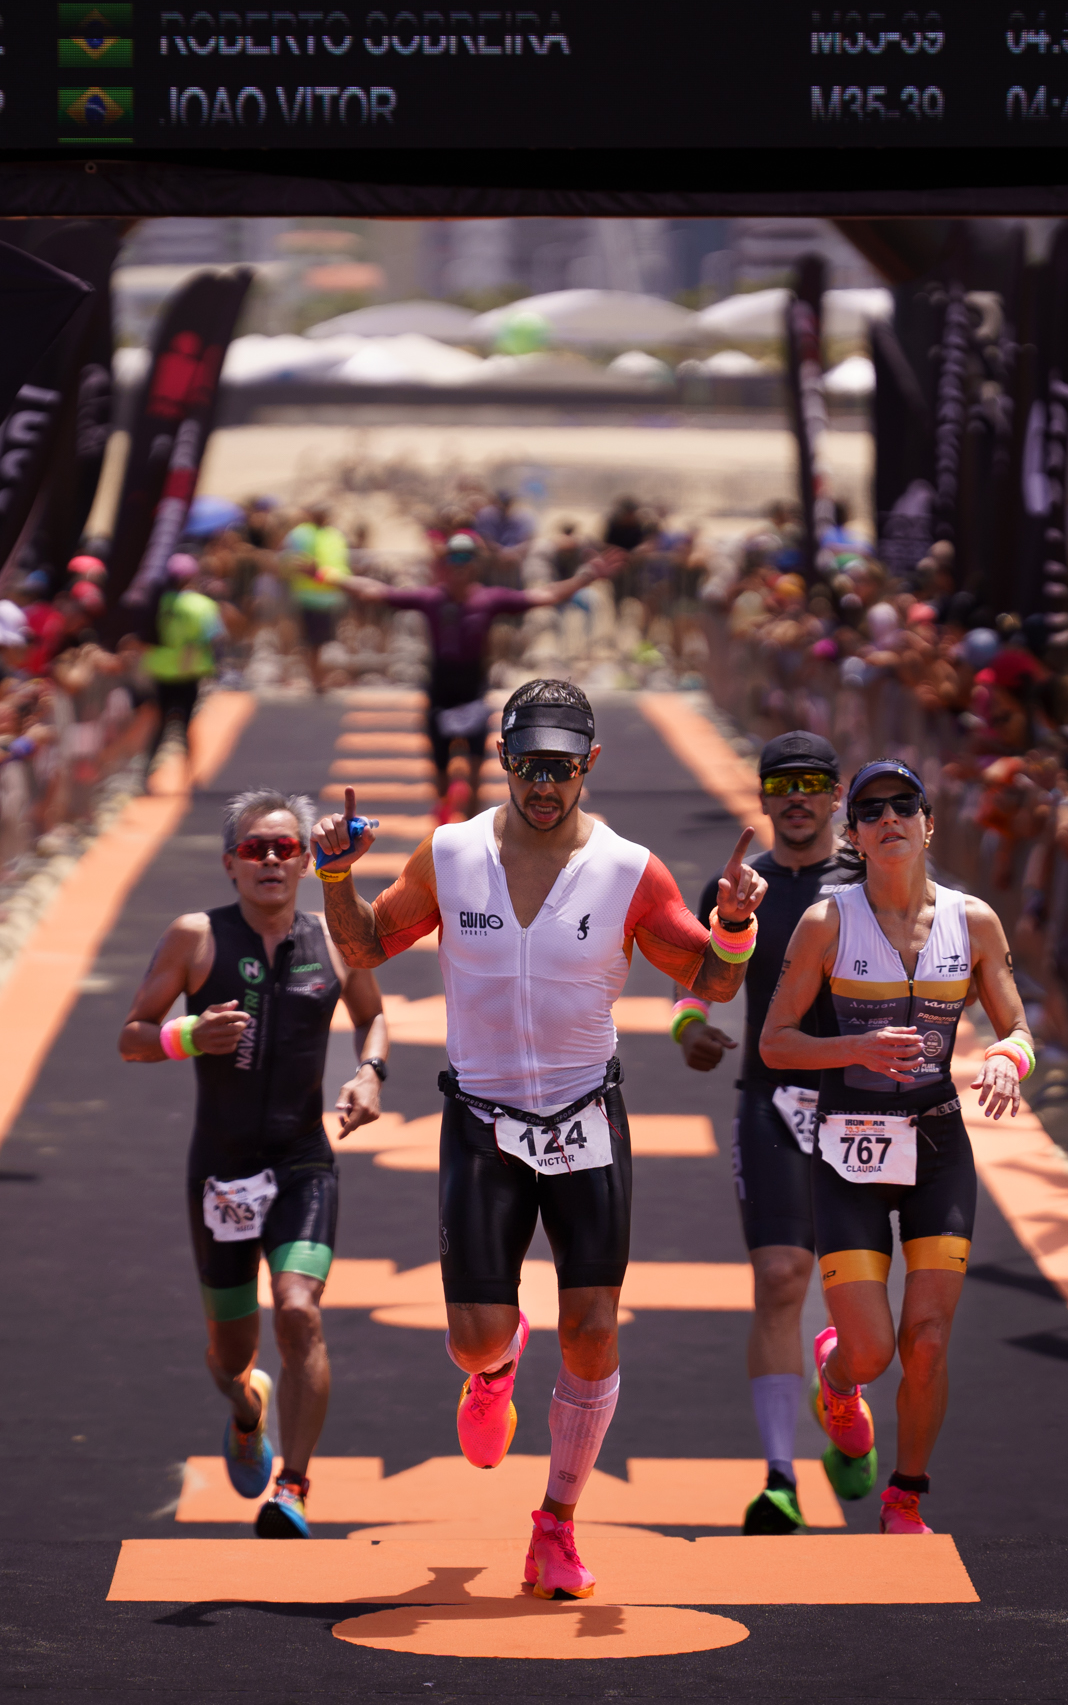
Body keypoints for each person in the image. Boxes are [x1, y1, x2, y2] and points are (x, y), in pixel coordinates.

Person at [312, 680, 766, 1600]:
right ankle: (496, 1367)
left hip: (585, 1119)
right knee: (473, 1342)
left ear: (589, 765)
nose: (543, 785)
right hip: (480, 1119)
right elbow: (362, 950)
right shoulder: (449, 855)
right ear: (504, 763)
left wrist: (735, 921)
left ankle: (555, 1524)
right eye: (526, 766)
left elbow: (711, 983)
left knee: (593, 1336)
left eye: (560, 768)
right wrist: (333, 874)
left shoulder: (630, 871)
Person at [757, 759, 1035, 1536]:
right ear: (853, 834)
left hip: (938, 1140)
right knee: (873, 1351)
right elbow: (776, 1044)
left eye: (903, 806)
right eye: (871, 810)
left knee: (930, 1339)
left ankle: (904, 1494)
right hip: (850, 1147)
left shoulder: (972, 921)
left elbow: (1016, 1028)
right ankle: (838, 1380)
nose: (889, 820)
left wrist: (1008, 1061)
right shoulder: (827, 922)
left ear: (926, 822)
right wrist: (854, 1051)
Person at [118, 790, 390, 1539]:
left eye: (284, 847)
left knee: (299, 1310)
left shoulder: (335, 937)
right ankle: (247, 1412)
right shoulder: (195, 937)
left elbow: (372, 1015)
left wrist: (370, 1072)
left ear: (306, 859)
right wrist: (187, 1036)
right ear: (229, 862)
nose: (270, 860)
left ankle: (292, 1486)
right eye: (254, 848)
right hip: (222, 1172)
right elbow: (132, 1034)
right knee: (228, 1356)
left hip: (304, 1159)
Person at [666, 731, 853, 1533]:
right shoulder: (737, 885)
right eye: (784, 785)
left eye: (814, 784)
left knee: (858, 1298)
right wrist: (688, 1032)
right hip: (770, 1100)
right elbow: (694, 991)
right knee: (780, 1277)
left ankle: (843, 1399)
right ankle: (779, 1475)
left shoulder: (875, 878)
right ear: (765, 795)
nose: (799, 798)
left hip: (865, 1106)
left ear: (836, 794)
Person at [341, 535, 624, 823]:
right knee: (440, 773)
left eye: (466, 561)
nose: (459, 568)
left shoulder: (488, 599)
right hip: (440, 692)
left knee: (475, 769)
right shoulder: (432, 598)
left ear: (475, 566)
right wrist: (324, 575)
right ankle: (443, 823)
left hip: (473, 693)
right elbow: (373, 592)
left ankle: (470, 829)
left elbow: (546, 595)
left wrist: (586, 576)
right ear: (445, 566)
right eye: (454, 560)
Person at [138, 552, 223, 782]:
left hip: (160, 669)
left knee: (159, 725)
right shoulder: (201, 605)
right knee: (186, 724)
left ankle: (145, 775)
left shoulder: (157, 603)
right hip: (188, 672)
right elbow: (215, 637)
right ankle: (191, 774)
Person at [282, 505, 350, 694]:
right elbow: (291, 561)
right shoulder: (300, 534)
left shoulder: (334, 535)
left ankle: (322, 678)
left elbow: (338, 562)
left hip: (331, 595)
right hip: (309, 597)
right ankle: (316, 680)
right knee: (312, 643)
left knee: (326, 642)